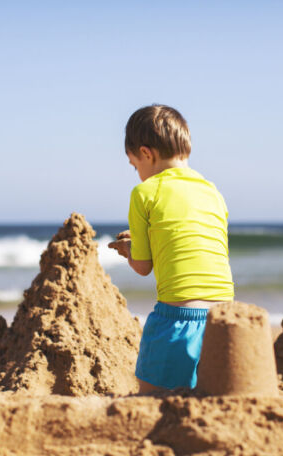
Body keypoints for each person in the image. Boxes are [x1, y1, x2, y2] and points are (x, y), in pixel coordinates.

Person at [108, 104, 234, 393]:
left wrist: (129, 248)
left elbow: (142, 267)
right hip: (225, 321)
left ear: (146, 154)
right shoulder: (214, 192)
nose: (137, 173)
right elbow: (191, 242)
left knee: (150, 399)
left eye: (134, 165)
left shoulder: (144, 192)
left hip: (178, 321)